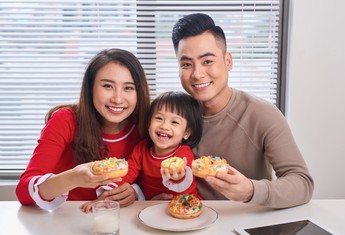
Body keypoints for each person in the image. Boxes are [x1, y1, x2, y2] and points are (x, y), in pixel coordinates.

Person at [171, 13, 314, 208]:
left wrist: (251, 191)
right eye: (186, 64)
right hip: (188, 221)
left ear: (228, 62)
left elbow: (302, 183)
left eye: (207, 61)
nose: (197, 74)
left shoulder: (262, 114)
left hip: (247, 223)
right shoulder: (172, 118)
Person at [16, 48, 151, 210]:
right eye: (108, 86)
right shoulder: (65, 120)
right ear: (90, 88)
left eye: (128, 88)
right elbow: (23, 192)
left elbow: (152, 183)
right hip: (65, 222)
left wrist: (135, 192)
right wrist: (74, 178)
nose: (117, 99)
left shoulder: (146, 127)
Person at [80, 91, 203, 213]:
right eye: (159, 118)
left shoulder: (183, 154)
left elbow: (185, 178)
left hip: (186, 207)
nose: (164, 126)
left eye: (174, 122)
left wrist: (179, 177)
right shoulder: (142, 148)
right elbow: (127, 175)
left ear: (187, 133)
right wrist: (105, 197)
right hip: (151, 208)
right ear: (149, 124)